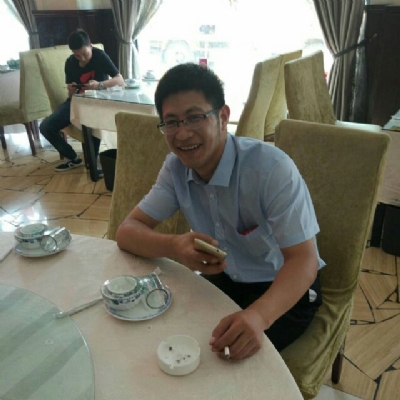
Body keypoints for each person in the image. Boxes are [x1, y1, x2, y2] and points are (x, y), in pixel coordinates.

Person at [116, 63, 325, 359]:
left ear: (223, 116)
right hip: (224, 282)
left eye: (194, 117)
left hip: (284, 289)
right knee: (170, 343)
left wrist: (259, 316)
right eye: (171, 122)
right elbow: (127, 232)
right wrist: (175, 245)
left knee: (223, 363)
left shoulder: (270, 169)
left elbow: (304, 260)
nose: (182, 134)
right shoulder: (176, 169)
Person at [39, 29, 124, 173]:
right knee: (45, 127)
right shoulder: (70, 63)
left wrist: (99, 85)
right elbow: (71, 95)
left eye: (85, 54)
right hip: (76, 102)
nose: (82, 59)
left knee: (91, 122)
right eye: (78, 55)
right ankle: (72, 157)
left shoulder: (99, 56)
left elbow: (119, 80)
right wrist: (71, 90)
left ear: (90, 46)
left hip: (98, 102)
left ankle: (93, 163)